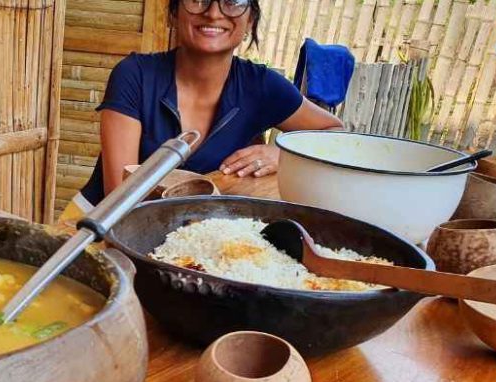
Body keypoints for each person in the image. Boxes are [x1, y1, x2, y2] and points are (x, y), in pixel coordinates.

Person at [60, 0, 343, 222]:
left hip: (191, 232)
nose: (213, 13)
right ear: (174, 13)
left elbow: (334, 132)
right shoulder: (135, 75)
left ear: (250, 21)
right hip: (98, 224)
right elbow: (119, 196)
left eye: (232, 1)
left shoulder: (261, 87)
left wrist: (282, 154)